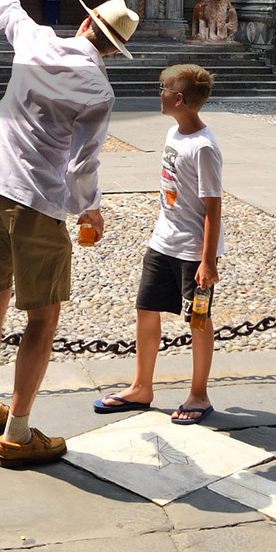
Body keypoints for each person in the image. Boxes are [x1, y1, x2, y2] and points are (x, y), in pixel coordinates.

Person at [0, 0, 139, 467]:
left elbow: (8, 6)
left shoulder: (38, 40)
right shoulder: (99, 90)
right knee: (42, 317)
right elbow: (84, 165)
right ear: (114, 47)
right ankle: (17, 433)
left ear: (85, 22)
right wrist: (92, 213)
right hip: (38, 201)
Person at [94, 61, 221, 424]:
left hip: (193, 250)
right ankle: (141, 386)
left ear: (178, 99)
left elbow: (214, 207)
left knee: (198, 319)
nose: (159, 94)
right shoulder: (172, 134)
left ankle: (199, 393)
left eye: (162, 89)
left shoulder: (204, 147)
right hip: (163, 241)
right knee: (146, 310)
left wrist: (207, 261)